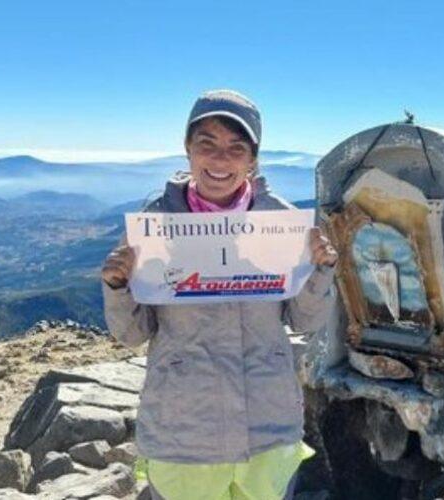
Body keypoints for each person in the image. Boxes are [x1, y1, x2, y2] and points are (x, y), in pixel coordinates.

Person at [100, 89, 338, 500]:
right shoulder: (154, 224)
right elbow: (131, 334)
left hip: (267, 428)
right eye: (206, 144)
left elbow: (306, 320)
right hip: (183, 431)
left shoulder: (281, 221)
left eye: (236, 147)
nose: (220, 159)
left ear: (253, 159)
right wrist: (118, 286)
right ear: (188, 150)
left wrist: (320, 271)